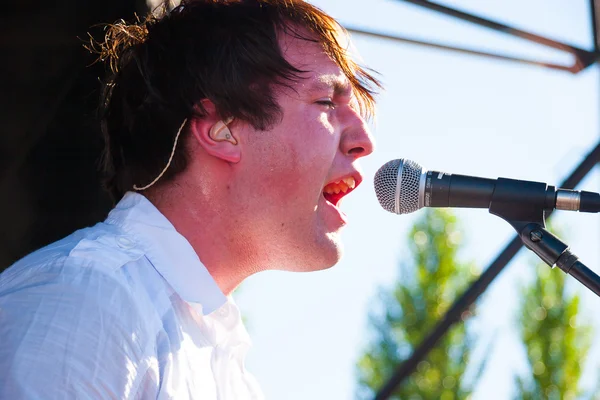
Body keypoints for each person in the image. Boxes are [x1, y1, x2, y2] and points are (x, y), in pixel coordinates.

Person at [0, 0, 380, 398]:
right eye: (326, 102)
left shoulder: (225, 364)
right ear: (222, 129)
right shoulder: (87, 300)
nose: (364, 142)